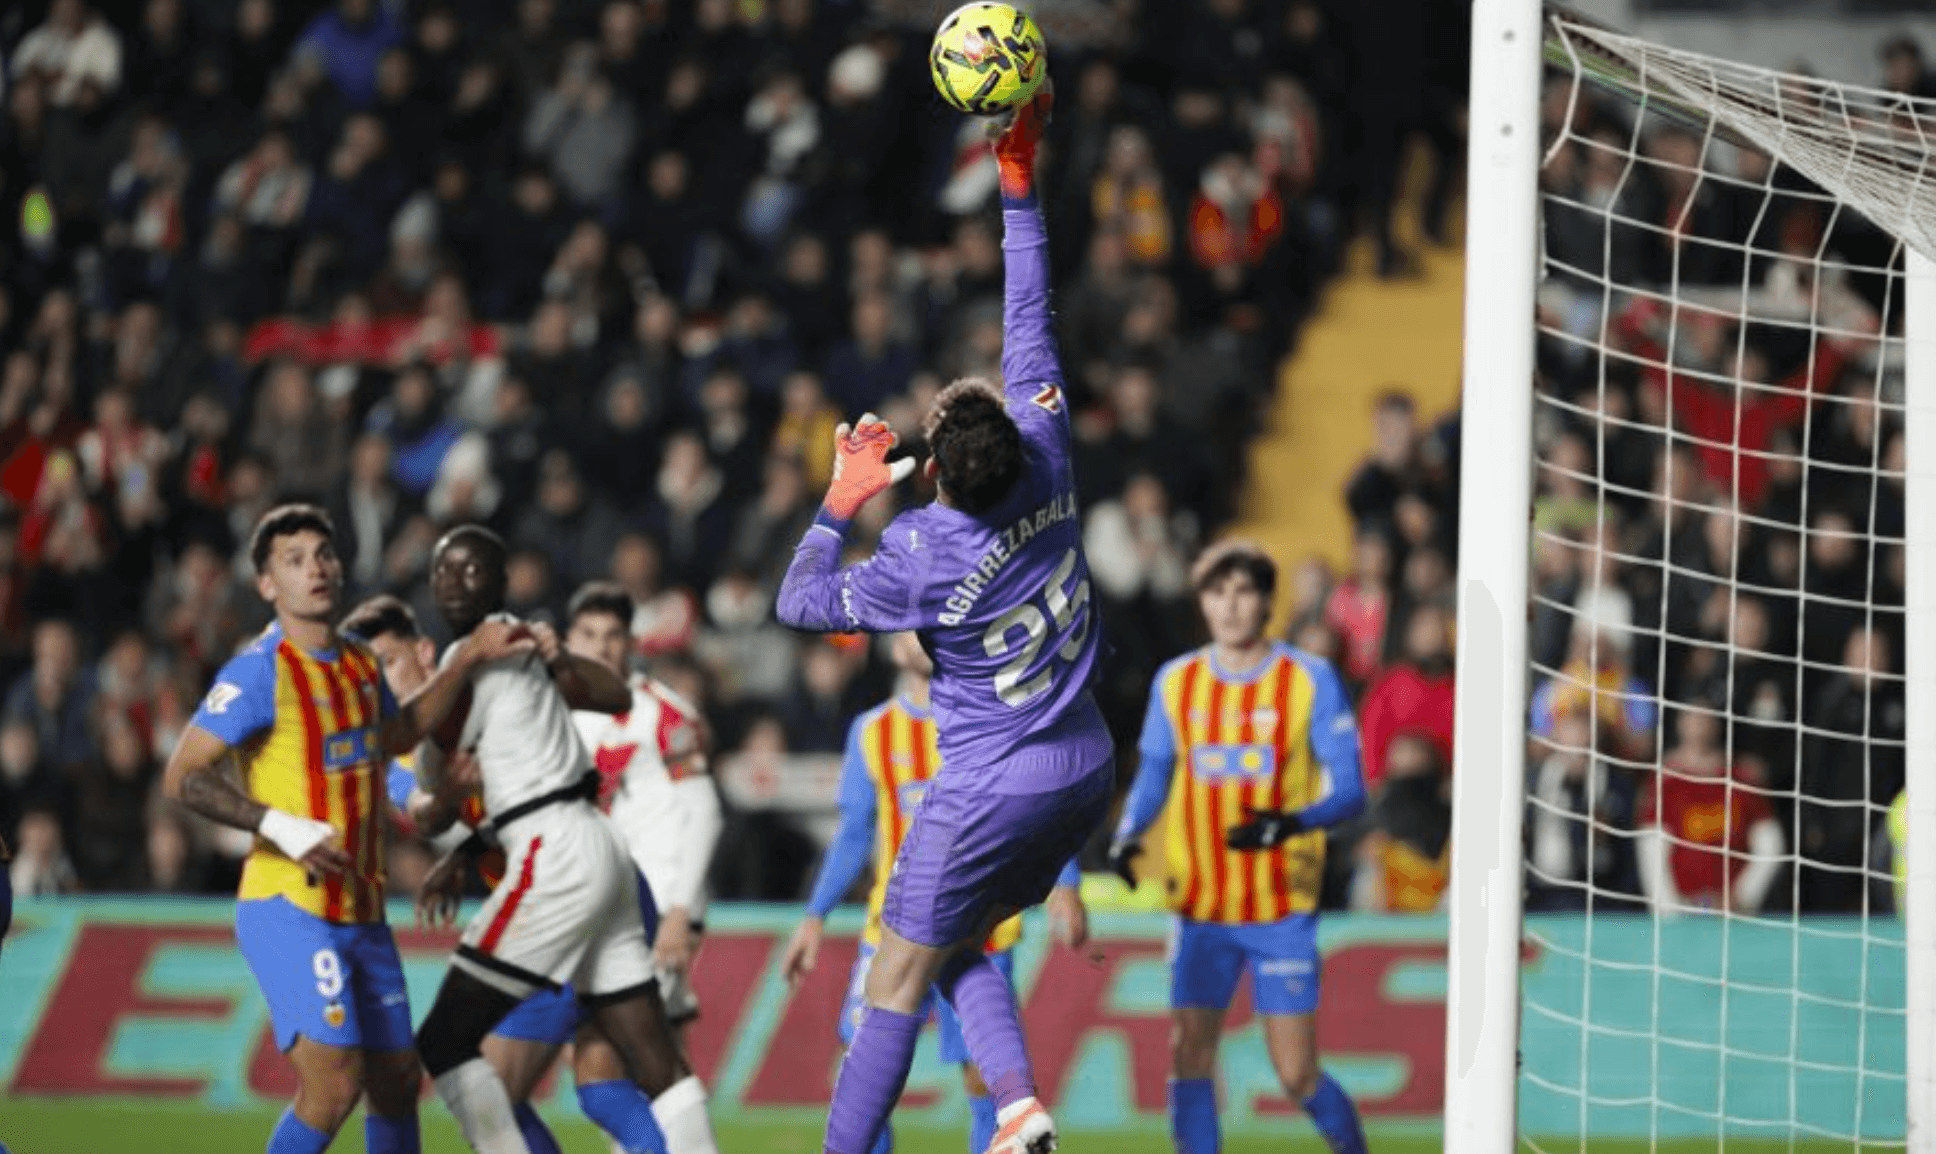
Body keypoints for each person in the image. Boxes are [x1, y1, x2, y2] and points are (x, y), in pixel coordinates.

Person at [775, 88, 1111, 1154]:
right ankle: (1015, 1104)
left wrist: (841, 497)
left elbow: (799, 601)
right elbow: (1029, 310)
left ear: (935, 477)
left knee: (892, 975)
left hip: (987, 783)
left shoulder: (921, 553)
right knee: (961, 938)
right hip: (1083, 764)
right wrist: (1017, 181)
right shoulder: (1049, 450)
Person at [161, 504, 530, 1154]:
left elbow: (399, 733)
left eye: (324, 554)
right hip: (288, 906)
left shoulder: (359, 663)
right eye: (294, 560)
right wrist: (278, 824)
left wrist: (468, 657)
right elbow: (183, 775)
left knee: (397, 1082)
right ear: (267, 584)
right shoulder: (260, 671)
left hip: (362, 911)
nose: (316, 569)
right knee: (333, 1085)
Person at [409, 524, 720, 1154]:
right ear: (570, 635)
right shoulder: (543, 696)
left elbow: (702, 808)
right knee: (621, 1076)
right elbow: (512, 793)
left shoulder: (651, 710)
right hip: (598, 870)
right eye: (589, 634)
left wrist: (683, 909)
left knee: (459, 1050)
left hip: (578, 877)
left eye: (613, 635)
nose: (602, 645)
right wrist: (466, 848)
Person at [1106, 541, 1370, 1154]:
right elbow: (1154, 774)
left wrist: (1293, 823)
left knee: (1296, 1073)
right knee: (1189, 1053)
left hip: (1281, 908)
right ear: (1202, 602)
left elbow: (1351, 791)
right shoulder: (1177, 681)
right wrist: (1126, 836)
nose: (1229, 606)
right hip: (1200, 908)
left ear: (1268, 602)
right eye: (1216, 592)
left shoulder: (1309, 679)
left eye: (1243, 591)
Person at [781, 632, 1087, 1154]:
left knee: (982, 1079)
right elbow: (854, 834)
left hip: (980, 929)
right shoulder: (872, 730)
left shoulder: (995, 723)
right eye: (909, 627)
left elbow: (1039, 807)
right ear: (892, 645)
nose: (920, 636)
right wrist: (814, 915)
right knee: (864, 1074)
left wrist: (1068, 881)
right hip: (891, 931)